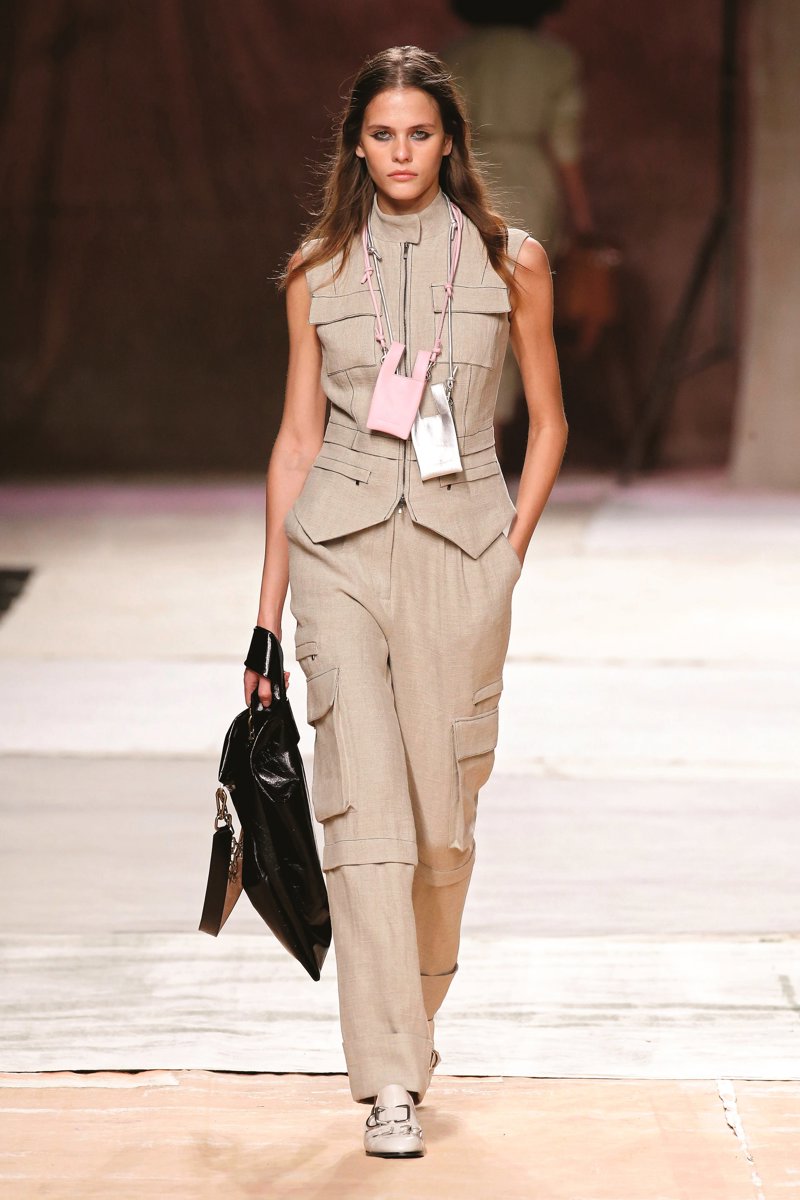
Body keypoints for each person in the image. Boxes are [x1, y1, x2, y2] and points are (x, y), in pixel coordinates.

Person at [242, 44, 568, 1159]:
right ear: (355, 145)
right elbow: (296, 443)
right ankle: (387, 1078)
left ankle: (409, 1030)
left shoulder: (511, 261)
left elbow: (550, 424)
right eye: (380, 134)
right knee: (366, 822)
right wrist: (265, 619)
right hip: (337, 553)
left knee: (440, 833)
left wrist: (505, 557)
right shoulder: (316, 271)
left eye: (418, 133)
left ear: (449, 142)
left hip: (459, 554)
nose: (399, 152)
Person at [442, 1, 593, 460]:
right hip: (530, 185)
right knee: (517, 311)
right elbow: (565, 145)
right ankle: (492, 445)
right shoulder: (555, 59)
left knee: (459, 310)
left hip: (465, 178)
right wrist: (583, 217)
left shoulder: (454, 56)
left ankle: (469, 443)